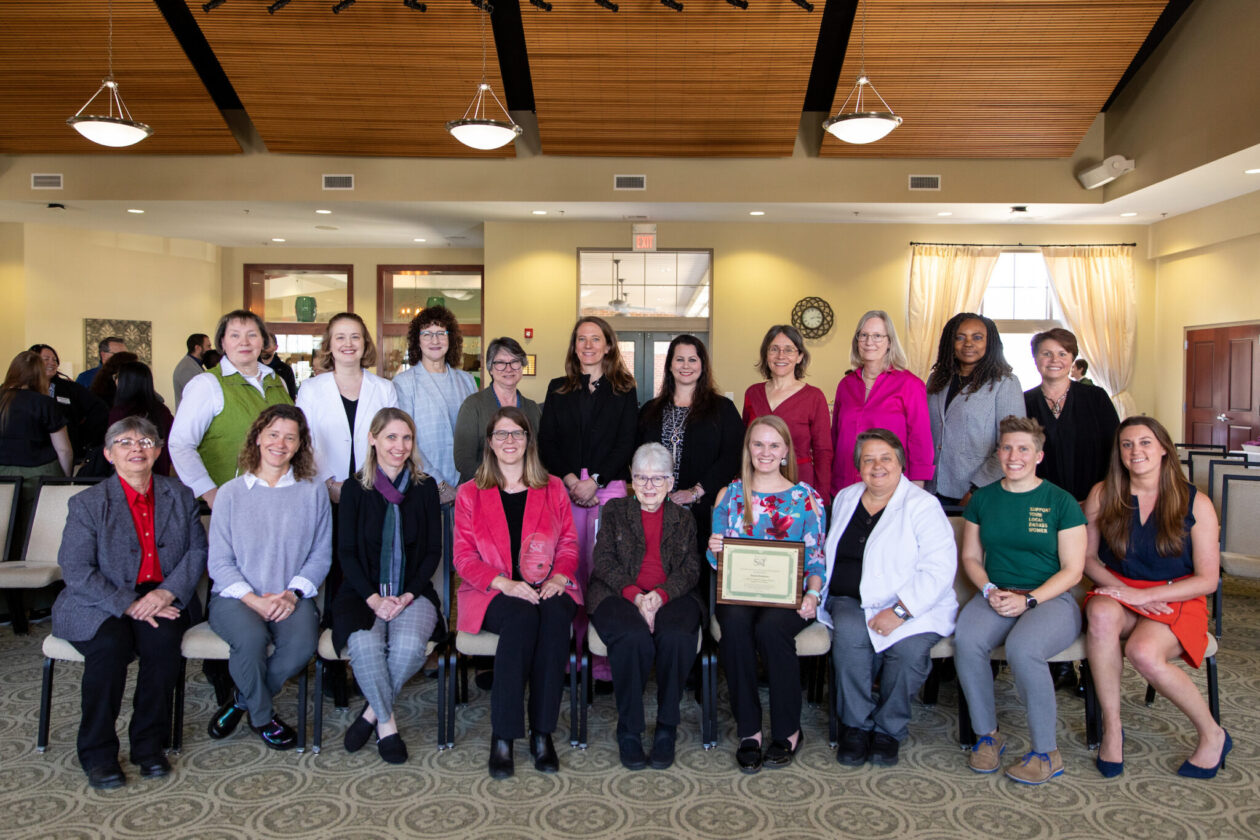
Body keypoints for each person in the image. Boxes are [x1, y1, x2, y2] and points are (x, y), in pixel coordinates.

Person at [51, 417, 207, 789]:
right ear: (108, 454)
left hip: (161, 595)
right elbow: (76, 569)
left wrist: (166, 593)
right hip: (98, 601)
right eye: (124, 442)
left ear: (158, 451)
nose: (136, 448)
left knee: (163, 642)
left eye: (146, 441)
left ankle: (148, 745)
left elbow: (197, 551)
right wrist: (127, 604)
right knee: (110, 646)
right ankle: (98, 753)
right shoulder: (88, 503)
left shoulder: (179, 494)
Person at [1083, 417, 1230, 779]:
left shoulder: (1197, 503)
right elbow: (1087, 559)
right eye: (1127, 444)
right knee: (1100, 614)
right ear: (1119, 452)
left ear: (1164, 448)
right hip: (1119, 589)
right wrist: (1130, 594)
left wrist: (1146, 595)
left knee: (1143, 653)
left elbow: (1207, 579)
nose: (1136, 451)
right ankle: (1112, 728)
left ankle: (1213, 734)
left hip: (1177, 595)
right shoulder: (1103, 493)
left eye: (1145, 442)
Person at [955, 416, 1085, 785]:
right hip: (996, 593)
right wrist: (989, 590)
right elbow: (971, 558)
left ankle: (1046, 753)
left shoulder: (1060, 502)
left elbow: (1073, 570)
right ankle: (987, 736)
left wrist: (1028, 600)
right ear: (998, 453)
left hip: (1050, 600)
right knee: (967, 641)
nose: (1014, 456)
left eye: (1024, 449)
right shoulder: (983, 499)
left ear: (1039, 456)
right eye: (1007, 448)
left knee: (1023, 648)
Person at [453, 406, 581, 779]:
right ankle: (504, 735)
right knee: (522, 617)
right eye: (501, 434)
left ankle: (543, 732)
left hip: (548, 584)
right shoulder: (469, 493)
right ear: (490, 443)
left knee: (555, 617)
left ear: (528, 440)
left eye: (517, 433)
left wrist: (560, 576)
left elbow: (569, 543)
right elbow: (463, 557)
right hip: (491, 590)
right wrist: (504, 583)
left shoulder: (552, 487)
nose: (510, 441)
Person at [822, 429, 957, 768]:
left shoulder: (923, 505)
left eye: (886, 458)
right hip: (850, 599)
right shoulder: (846, 498)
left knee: (907, 653)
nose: (877, 466)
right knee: (850, 638)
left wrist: (899, 611)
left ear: (900, 463)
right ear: (858, 466)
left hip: (915, 605)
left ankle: (888, 730)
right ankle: (855, 726)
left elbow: (939, 570)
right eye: (868, 459)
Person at [205, 404, 331, 750]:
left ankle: (241, 701)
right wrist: (253, 600)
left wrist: (291, 594)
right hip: (235, 597)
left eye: (290, 437)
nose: (280, 443)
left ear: (300, 444)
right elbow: (219, 562)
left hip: (292, 595)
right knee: (250, 641)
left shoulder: (313, 491)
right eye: (273, 434)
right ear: (258, 437)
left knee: (302, 646)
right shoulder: (230, 493)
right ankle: (262, 718)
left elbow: (321, 554)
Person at [707, 415, 827, 773]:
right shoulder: (730, 495)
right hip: (740, 594)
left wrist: (813, 595)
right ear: (748, 449)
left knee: (771, 629)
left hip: (788, 598)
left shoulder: (806, 499)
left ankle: (788, 730)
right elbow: (718, 563)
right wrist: (715, 549)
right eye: (758, 444)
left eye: (774, 445)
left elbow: (816, 558)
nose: (765, 452)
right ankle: (750, 730)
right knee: (734, 625)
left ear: (786, 451)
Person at [331, 408, 442, 764]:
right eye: (391, 437)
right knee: (366, 648)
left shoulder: (425, 488)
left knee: (409, 648)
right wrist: (374, 599)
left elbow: (432, 552)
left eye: (407, 438)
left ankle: (369, 714)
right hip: (361, 592)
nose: (400, 446)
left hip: (414, 590)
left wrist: (407, 594)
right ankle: (386, 723)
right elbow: (346, 553)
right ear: (372, 439)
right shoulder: (354, 488)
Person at [588, 443, 702, 771]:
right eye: (641, 478)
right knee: (632, 637)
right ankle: (629, 729)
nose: (648, 486)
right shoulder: (615, 510)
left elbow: (691, 568)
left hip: (673, 595)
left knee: (677, 636)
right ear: (631, 480)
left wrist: (661, 595)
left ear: (670, 482)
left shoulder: (684, 518)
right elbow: (603, 560)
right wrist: (636, 595)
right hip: (617, 594)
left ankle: (667, 727)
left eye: (657, 479)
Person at [538, 316, 638, 682]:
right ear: (574, 346)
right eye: (582, 339)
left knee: (605, 572)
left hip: (607, 491)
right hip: (564, 490)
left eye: (596, 339)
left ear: (608, 345)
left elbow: (627, 441)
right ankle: (571, 654)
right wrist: (570, 479)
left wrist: (594, 481)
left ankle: (604, 659)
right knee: (567, 572)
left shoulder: (624, 389)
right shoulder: (558, 388)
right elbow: (547, 441)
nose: (588, 345)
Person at [169, 309, 293, 509]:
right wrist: (210, 493)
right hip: (229, 504)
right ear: (223, 342)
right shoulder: (207, 384)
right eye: (235, 335)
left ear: (262, 341)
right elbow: (180, 444)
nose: (244, 342)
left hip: (280, 500)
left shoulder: (278, 382)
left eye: (252, 335)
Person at [637, 334, 743, 556]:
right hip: (654, 510)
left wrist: (695, 492)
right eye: (679, 359)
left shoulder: (722, 409)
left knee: (696, 569)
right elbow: (636, 455)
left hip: (703, 511)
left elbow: (732, 456)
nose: (686, 366)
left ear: (703, 366)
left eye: (692, 360)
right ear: (670, 365)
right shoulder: (650, 410)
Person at [296, 313, 397, 506]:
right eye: (340, 337)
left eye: (355, 337)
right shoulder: (310, 389)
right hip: (323, 492)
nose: (348, 344)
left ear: (365, 343)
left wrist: (377, 480)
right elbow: (304, 441)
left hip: (375, 491)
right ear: (329, 345)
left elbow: (393, 439)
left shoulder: (385, 388)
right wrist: (329, 483)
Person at [925, 312, 1025, 506]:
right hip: (931, 488)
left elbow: (1012, 444)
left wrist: (977, 489)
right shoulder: (936, 380)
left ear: (990, 343)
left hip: (977, 491)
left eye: (977, 337)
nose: (968, 344)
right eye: (960, 337)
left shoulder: (1005, 383)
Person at [830, 311, 934, 492]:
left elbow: (920, 440)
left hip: (889, 486)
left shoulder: (910, 384)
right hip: (845, 485)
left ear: (890, 342)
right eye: (863, 335)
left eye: (877, 336)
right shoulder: (846, 385)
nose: (869, 342)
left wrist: (917, 487)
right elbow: (835, 437)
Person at [392, 305, 477, 506]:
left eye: (441, 333)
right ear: (417, 341)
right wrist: (439, 484)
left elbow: (476, 433)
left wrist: (470, 479)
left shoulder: (466, 380)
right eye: (427, 334)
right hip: (424, 484)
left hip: (466, 484)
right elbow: (407, 440)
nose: (435, 340)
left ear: (451, 339)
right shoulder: (404, 383)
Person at [1023, 328, 1119, 503]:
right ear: (1035, 358)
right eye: (1046, 354)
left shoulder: (1096, 398)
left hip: (1093, 502)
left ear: (1072, 359)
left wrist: (1100, 496)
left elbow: (1114, 448)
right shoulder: (1023, 401)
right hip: (1038, 502)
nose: (1054, 360)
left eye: (1062, 354)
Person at [741, 324, 833, 505]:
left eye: (789, 350)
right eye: (774, 349)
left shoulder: (814, 397)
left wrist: (821, 497)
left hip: (800, 483)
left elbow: (823, 451)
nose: (780, 355)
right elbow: (745, 444)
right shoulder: (752, 393)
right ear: (766, 355)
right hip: (758, 483)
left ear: (800, 357)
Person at [0, 351, 73, 560]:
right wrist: (65, 479)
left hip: (2, 475)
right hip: (40, 474)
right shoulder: (44, 403)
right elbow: (64, 450)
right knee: (35, 537)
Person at [454, 336, 542, 484]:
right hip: (483, 487)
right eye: (500, 363)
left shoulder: (532, 408)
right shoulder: (473, 405)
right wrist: (502, 484)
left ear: (522, 366)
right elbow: (463, 461)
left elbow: (539, 455)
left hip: (526, 488)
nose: (509, 368)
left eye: (515, 362)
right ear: (490, 368)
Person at [30, 343, 108, 460]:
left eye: (54, 360)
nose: (52, 363)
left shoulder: (70, 388)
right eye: (46, 359)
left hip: (66, 452)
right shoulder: (22, 389)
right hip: (33, 453)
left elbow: (99, 409)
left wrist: (81, 436)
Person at [109, 361, 175, 477]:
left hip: (129, 476)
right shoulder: (162, 410)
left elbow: (115, 447)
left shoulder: (120, 412)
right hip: (160, 474)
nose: (115, 380)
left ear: (125, 382)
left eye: (117, 377)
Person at [174, 333, 212, 407]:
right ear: (197, 348)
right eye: (208, 346)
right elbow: (198, 395)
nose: (210, 349)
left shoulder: (194, 364)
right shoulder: (186, 368)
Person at [260, 334, 298, 400]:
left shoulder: (285, 370)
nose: (264, 347)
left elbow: (291, 397)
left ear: (276, 347)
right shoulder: (250, 368)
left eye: (267, 344)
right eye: (262, 343)